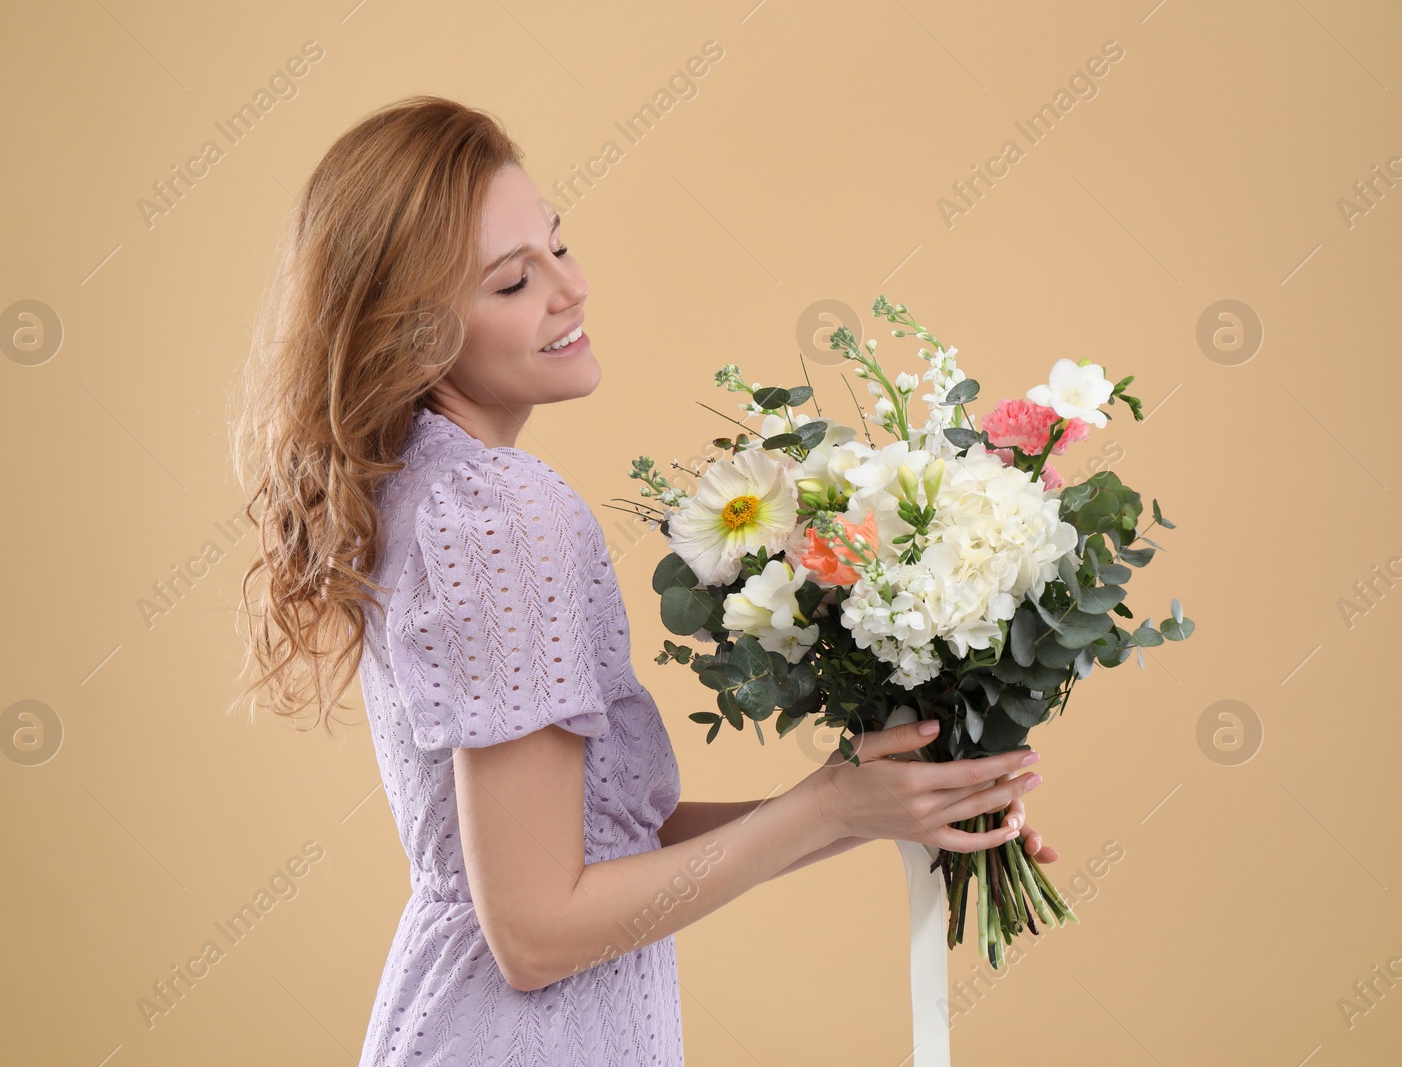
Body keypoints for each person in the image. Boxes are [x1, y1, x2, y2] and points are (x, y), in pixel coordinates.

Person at [229, 94, 1057, 1067]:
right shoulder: (497, 513)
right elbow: (536, 932)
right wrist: (830, 808)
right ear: (410, 333)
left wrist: (870, 799)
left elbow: (607, 841)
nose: (567, 289)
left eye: (557, 245)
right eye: (509, 282)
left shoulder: (433, 486)